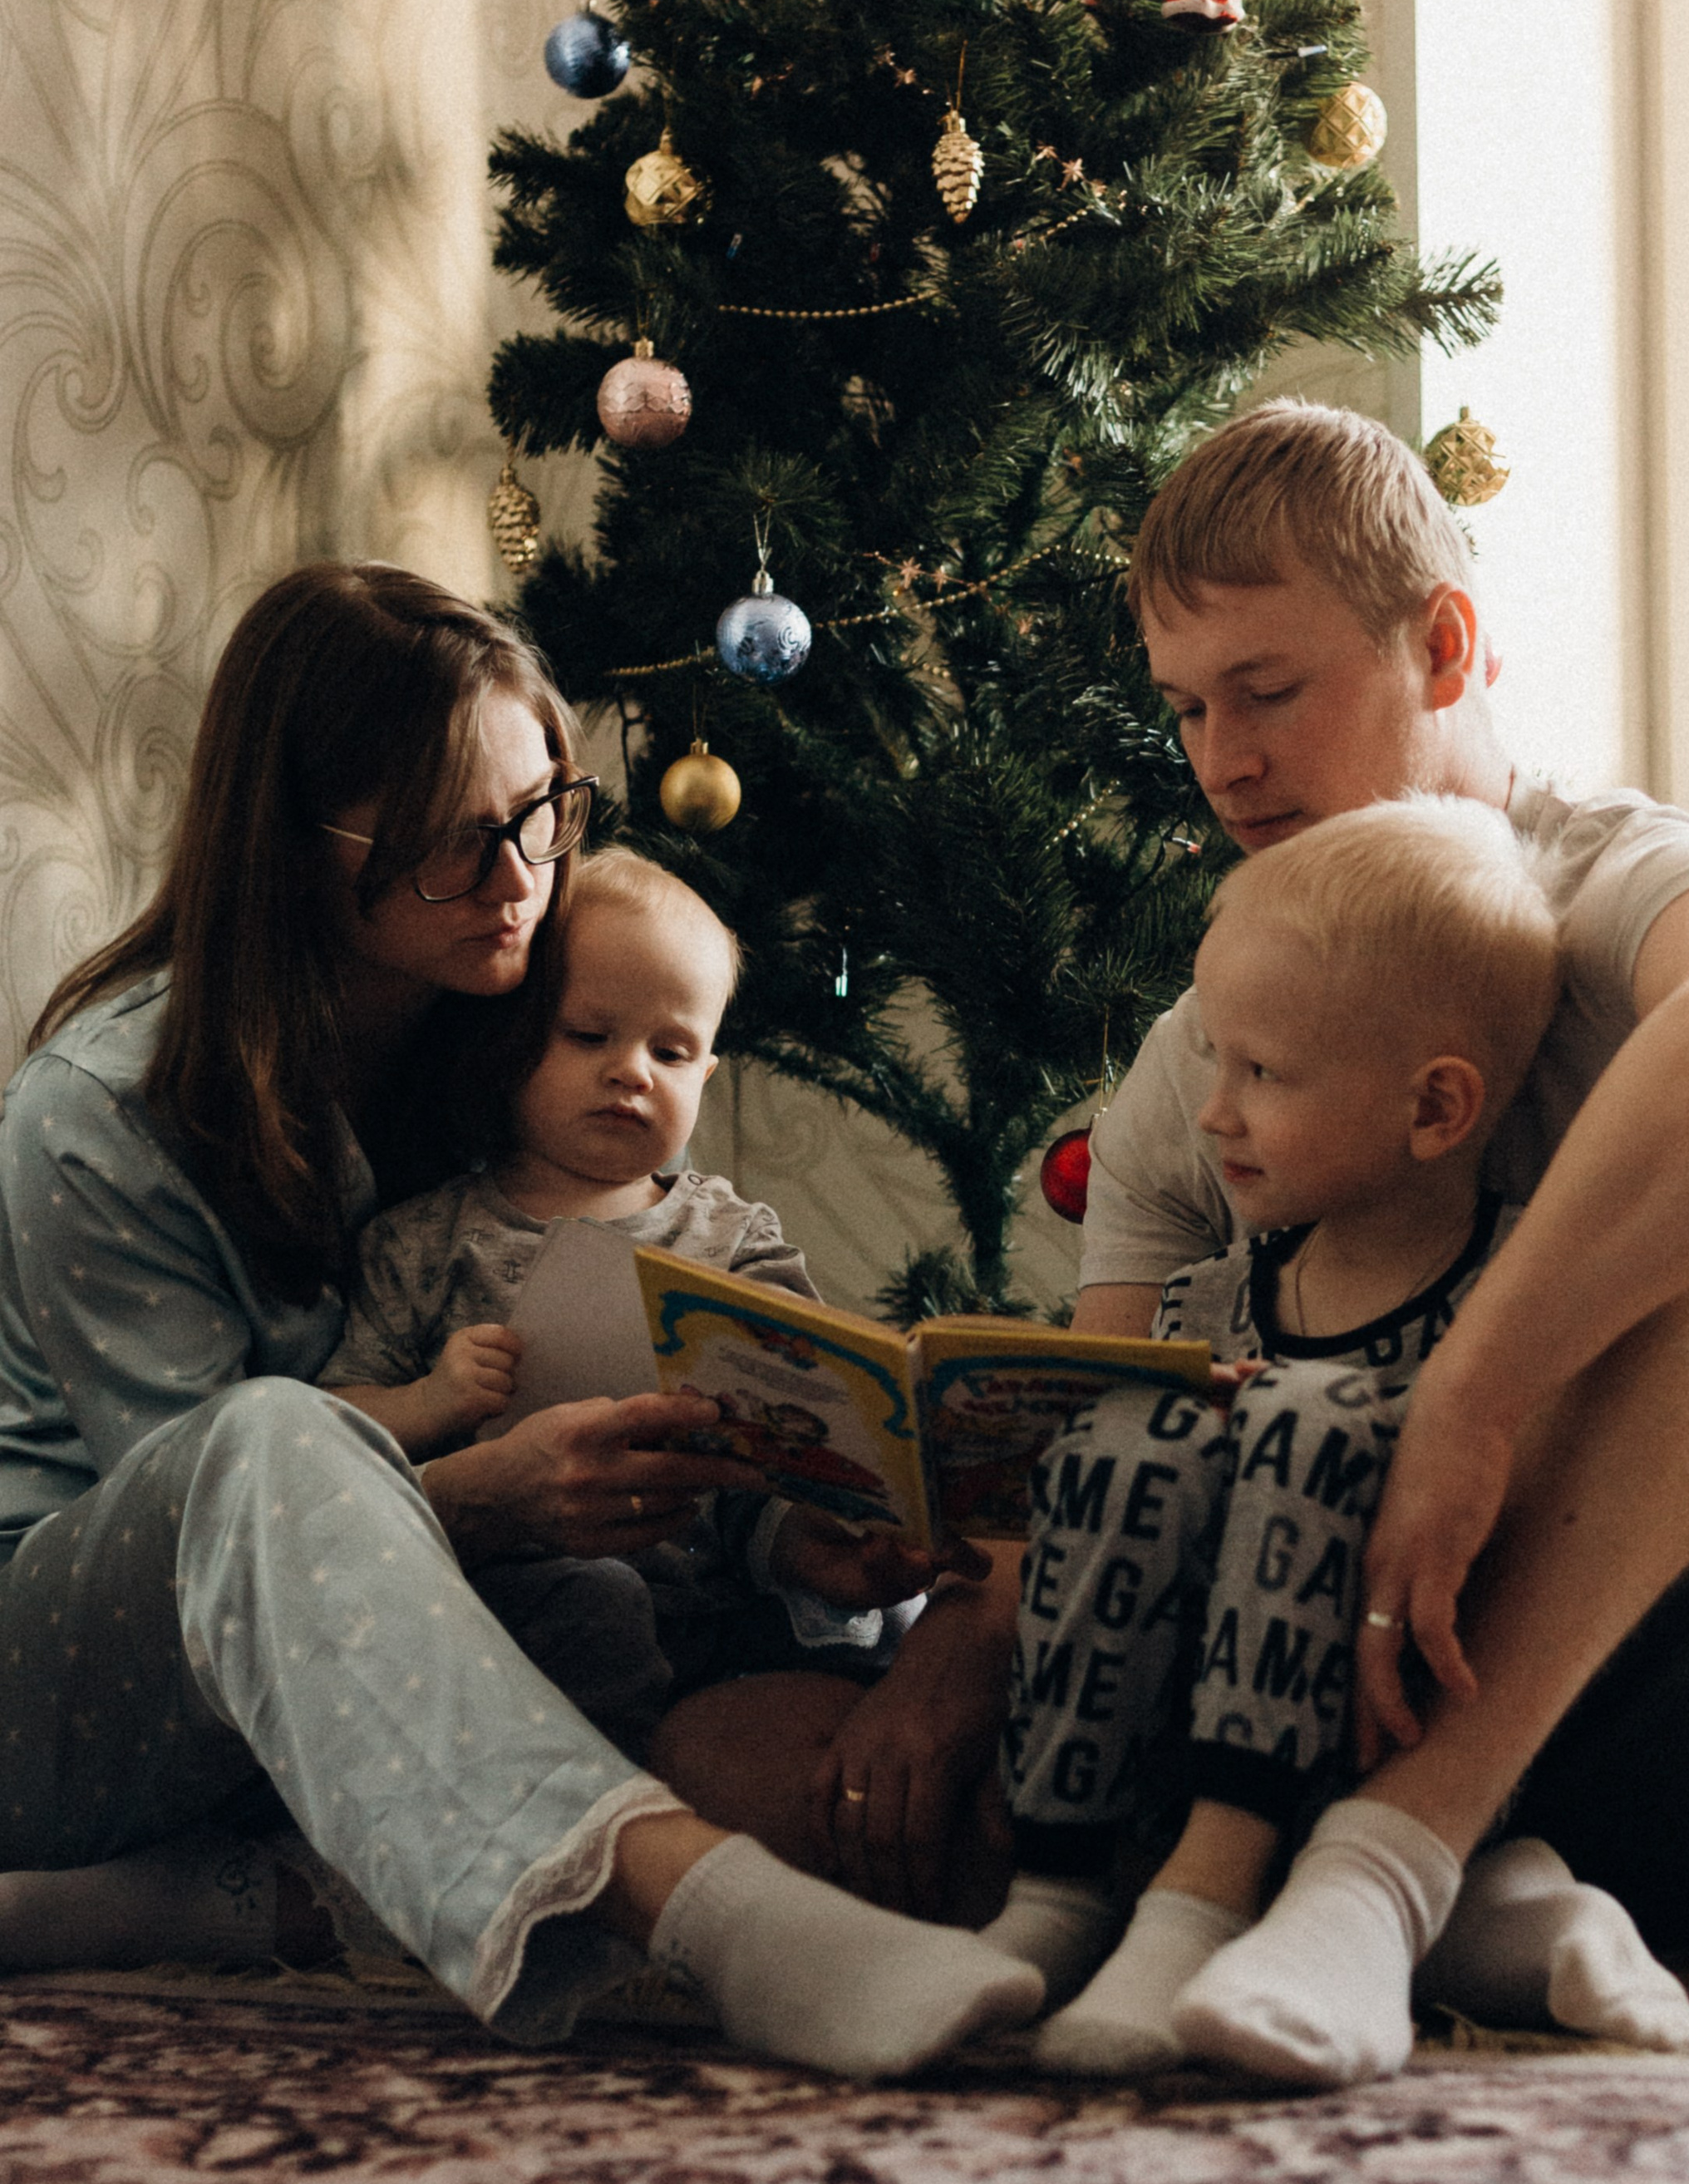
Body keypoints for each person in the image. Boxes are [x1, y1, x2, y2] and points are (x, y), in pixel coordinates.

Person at [0, 563, 1040, 2076]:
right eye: (452, 845)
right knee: (270, 1437)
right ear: (296, 851)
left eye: (544, 811)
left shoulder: (492, 1033)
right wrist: (481, 1499)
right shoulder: (100, 1112)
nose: (518, 880)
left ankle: (259, 1901)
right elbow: (231, 1562)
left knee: (648, 1621)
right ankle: (716, 1924)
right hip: (70, 1682)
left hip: (409, 1674)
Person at [1068, 399, 1689, 2088]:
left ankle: (1389, 1871)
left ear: (1440, 645)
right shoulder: (1202, 1058)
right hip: (1328, 1694)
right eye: (1183, 709)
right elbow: (1104, 1412)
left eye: (1268, 690)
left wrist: (1472, 1391)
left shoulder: (1612, 881)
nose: (1221, 761)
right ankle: (1456, 1909)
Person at [981, 796, 1689, 2073]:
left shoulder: (1508, 1310)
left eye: (1261, 1073)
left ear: (1434, 1111)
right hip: (1176, 1757)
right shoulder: (1214, 1295)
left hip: (1409, 1747)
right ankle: (1070, 1890)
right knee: (1126, 1436)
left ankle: (1472, 1924)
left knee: (1315, 1423)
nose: (1213, 1113)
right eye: (1217, 1065)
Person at [322, 846, 963, 1752]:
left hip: (728, 1605)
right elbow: (327, 1437)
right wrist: (429, 1402)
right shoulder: (425, 1240)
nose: (633, 1072)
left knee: (878, 1635)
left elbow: (782, 1469)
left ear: (706, 1074)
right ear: (510, 1039)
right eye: (590, 1036)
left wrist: (818, 1543)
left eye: (672, 1050)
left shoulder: (737, 1242)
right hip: (528, 1605)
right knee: (593, 1612)